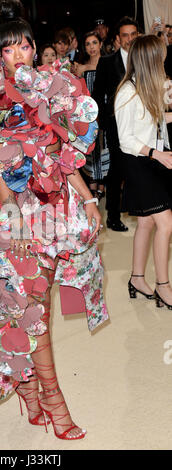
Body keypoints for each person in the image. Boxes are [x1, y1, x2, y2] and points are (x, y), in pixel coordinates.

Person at [0, 0, 108, 441]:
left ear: (34, 49)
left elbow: (63, 157)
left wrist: (88, 198)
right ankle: (53, 403)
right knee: (32, 311)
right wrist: (14, 224)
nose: (18, 55)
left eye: (24, 47)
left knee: (37, 309)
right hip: (20, 213)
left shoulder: (52, 91)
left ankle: (31, 396)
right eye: (8, 49)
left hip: (59, 205)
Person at [115, 35, 172, 309]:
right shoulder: (127, 92)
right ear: (151, 60)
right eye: (160, 54)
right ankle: (164, 286)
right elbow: (125, 139)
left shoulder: (145, 87)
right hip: (139, 163)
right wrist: (156, 153)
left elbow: (153, 118)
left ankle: (137, 277)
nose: (164, 58)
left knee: (148, 222)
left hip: (151, 161)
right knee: (166, 222)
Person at [93, 16, 139, 231]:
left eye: (133, 34)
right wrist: (106, 121)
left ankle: (142, 208)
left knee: (143, 167)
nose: (129, 39)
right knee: (117, 170)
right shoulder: (107, 62)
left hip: (142, 125)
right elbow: (97, 96)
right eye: (125, 35)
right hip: (117, 127)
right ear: (118, 38)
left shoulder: (144, 58)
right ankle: (113, 215)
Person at [73, 31, 108, 201]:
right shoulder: (80, 66)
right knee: (91, 147)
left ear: (100, 44)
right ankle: (93, 187)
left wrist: (85, 68)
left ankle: (103, 186)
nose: (91, 47)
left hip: (106, 111)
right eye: (88, 44)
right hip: (87, 114)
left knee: (105, 146)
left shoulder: (108, 62)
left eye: (94, 43)